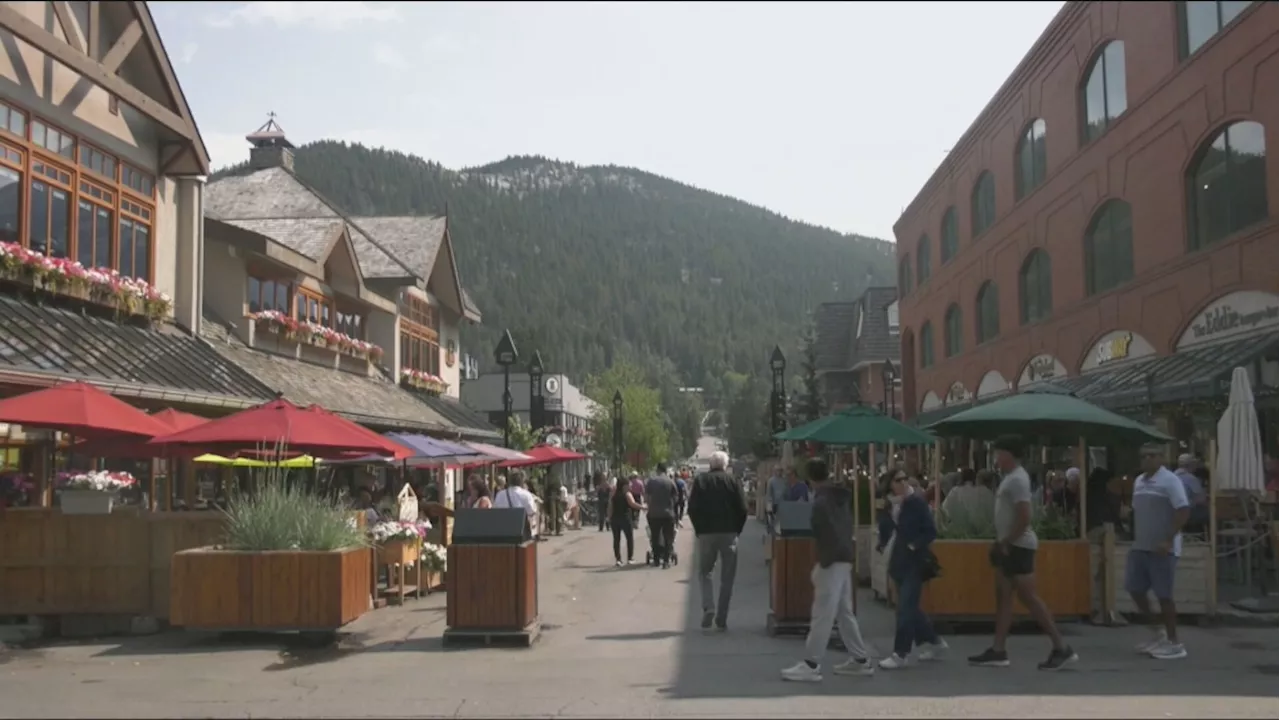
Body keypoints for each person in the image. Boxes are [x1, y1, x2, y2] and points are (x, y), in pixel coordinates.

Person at [968, 436, 1077, 671]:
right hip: (1009, 545)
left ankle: (1061, 647)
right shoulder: (1011, 478)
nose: (996, 458)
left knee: (1029, 598)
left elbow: (1025, 516)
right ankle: (998, 650)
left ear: (1009, 455)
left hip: (1018, 546)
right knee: (1004, 597)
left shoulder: (1018, 479)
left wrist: (1007, 541)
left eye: (999, 454)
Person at [781, 459, 874, 682]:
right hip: (843, 558)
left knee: (822, 613)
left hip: (831, 560)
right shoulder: (839, 497)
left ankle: (812, 664)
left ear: (810, 478)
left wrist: (823, 561)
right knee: (843, 612)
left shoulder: (821, 502)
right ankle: (860, 660)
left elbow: (824, 532)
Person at [1128, 442, 1191, 660]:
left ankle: (1175, 642)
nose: (1148, 459)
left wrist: (1167, 540)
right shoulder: (1138, 481)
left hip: (1163, 548)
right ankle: (1158, 632)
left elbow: (1183, 511)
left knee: (1164, 595)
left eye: (1153, 455)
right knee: (1134, 588)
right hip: (1141, 545)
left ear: (1162, 458)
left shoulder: (1170, 481)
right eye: (1144, 456)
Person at [879, 470, 947, 670]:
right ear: (890, 484)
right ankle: (935, 642)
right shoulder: (890, 504)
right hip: (896, 561)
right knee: (910, 607)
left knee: (905, 609)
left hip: (914, 562)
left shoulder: (916, 502)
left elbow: (930, 531)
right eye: (898, 480)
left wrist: (914, 545)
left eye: (904, 479)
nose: (903, 483)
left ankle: (901, 653)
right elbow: (886, 528)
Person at [687, 450, 748, 631]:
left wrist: (699, 529)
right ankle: (722, 618)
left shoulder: (701, 481)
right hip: (729, 532)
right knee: (727, 578)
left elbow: (692, 508)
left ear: (710, 465)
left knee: (705, 572)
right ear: (725, 464)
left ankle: (708, 606)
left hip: (707, 533)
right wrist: (737, 529)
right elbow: (743, 508)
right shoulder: (733, 481)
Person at [644, 463, 679, 567]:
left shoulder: (651, 481)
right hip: (668, 513)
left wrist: (651, 505)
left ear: (657, 470)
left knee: (655, 536)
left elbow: (646, 498)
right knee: (668, 537)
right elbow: (676, 498)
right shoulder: (670, 482)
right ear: (666, 470)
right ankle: (666, 561)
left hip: (654, 514)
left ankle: (656, 560)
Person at [610, 471, 646, 566]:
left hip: (615, 519)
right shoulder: (627, 494)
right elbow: (632, 504)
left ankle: (618, 559)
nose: (630, 485)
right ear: (624, 485)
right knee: (629, 538)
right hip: (625, 518)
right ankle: (630, 558)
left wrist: (609, 517)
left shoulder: (614, 495)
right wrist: (643, 507)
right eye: (628, 484)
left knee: (616, 539)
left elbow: (610, 507)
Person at [493, 470, 540, 538]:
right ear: (522, 481)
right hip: (521, 531)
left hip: (503, 531)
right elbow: (531, 512)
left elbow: (495, 511)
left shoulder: (500, 494)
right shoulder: (526, 494)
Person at [765, 465, 789, 534]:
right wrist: (769, 505)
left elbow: (787, 492)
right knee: (773, 521)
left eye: (780, 470)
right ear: (774, 471)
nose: (779, 472)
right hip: (774, 504)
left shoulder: (785, 480)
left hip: (783, 503)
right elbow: (769, 493)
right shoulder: (771, 481)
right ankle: (772, 533)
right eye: (778, 470)